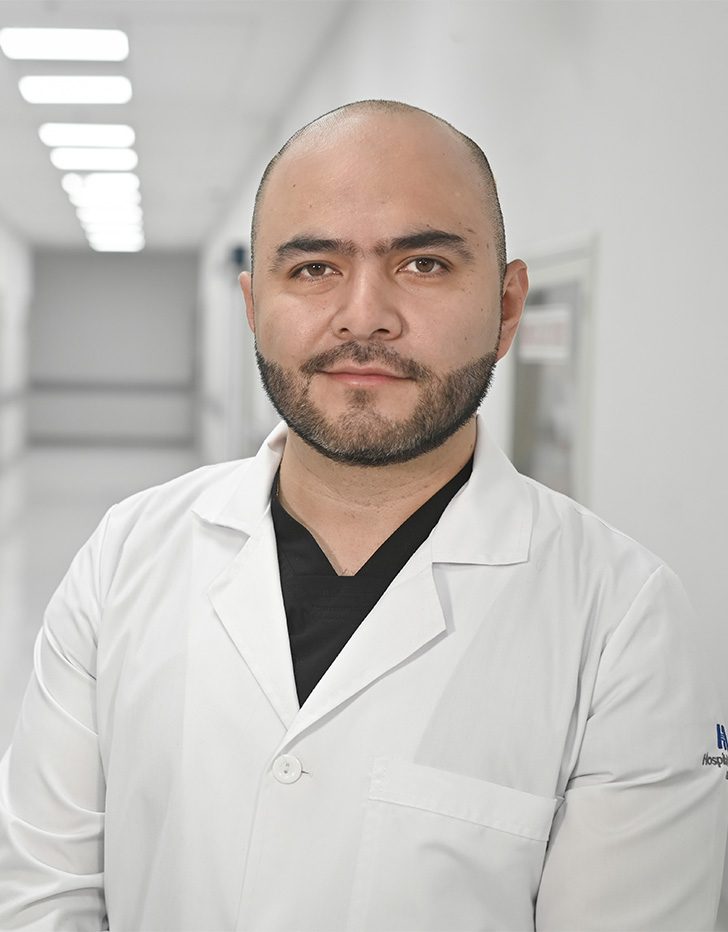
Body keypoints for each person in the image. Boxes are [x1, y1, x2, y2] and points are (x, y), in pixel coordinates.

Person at [0, 100, 726, 932]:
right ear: (251, 304)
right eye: (313, 268)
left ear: (508, 307)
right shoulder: (126, 554)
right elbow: (41, 894)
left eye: (423, 264)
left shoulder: (622, 622)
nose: (364, 315)